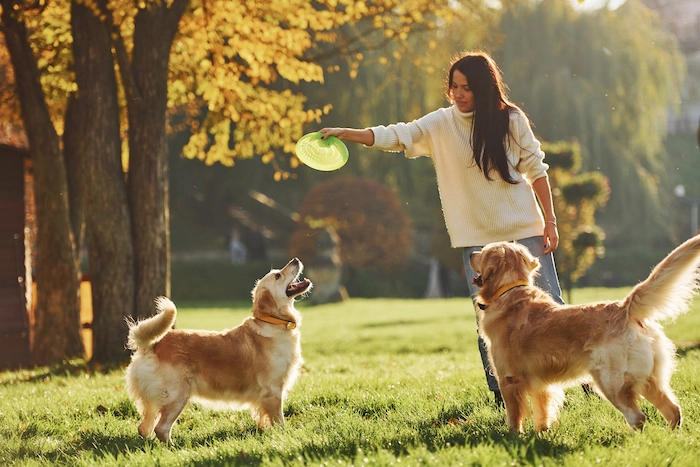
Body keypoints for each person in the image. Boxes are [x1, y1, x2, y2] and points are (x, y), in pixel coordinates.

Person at [320, 51, 565, 407]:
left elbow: (536, 170)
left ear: (484, 88)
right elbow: (397, 135)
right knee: (490, 318)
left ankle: (567, 376)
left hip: (523, 228)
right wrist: (347, 134)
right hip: (477, 241)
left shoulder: (510, 119)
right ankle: (501, 392)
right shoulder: (441, 124)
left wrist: (550, 222)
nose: (459, 94)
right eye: (454, 87)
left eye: (467, 88)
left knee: (550, 309)